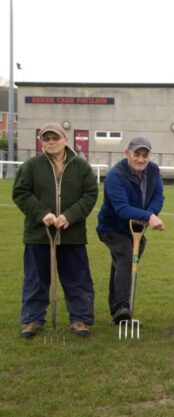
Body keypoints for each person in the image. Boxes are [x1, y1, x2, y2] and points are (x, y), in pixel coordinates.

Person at [12, 122, 98, 338]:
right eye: (46, 138)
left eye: (55, 138)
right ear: (42, 142)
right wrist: (42, 214)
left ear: (64, 140)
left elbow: (90, 194)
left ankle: (80, 319)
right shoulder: (31, 166)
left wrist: (70, 215)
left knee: (78, 279)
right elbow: (21, 193)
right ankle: (33, 320)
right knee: (35, 279)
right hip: (38, 235)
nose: (51, 142)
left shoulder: (81, 167)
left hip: (72, 235)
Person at [96, 137, 166, 325]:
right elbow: (121, 208)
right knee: (126, 257)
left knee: (120, 264)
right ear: (127, 153)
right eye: (137, 154)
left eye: (145, 155)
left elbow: (158, 197)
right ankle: (121, 308)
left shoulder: (153, 171)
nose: (141, 159)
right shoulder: (115, 176)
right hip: (112, 227)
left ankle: (117, 310)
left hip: (135, 229)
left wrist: (148, 214)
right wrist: (149, 218)